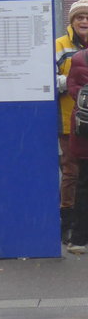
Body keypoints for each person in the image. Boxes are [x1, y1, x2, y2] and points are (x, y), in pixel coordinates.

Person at [56, 0, 88, 242]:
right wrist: (71, 81)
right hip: (69, 120)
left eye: (87, 17)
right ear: (72, 21)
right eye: (79, 17)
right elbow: (47, 79)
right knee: (71, 171)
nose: (84, 21)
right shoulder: (60, 45)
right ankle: (67, 220)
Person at [62, 49, 88, 253]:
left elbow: (75, 90)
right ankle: (79, 237)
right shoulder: (80, 59)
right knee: (82, 184)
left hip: (84, 133)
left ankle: (80, 238)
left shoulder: (80, 58)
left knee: (83, 185)